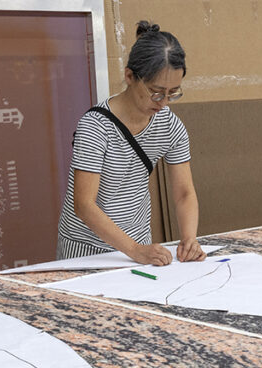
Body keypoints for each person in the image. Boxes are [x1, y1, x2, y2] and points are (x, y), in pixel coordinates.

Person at [56, 21, 205, 266]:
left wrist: (189, 239)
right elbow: (84, 205)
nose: (164, 102)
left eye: (173, 93)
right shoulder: (95, 127)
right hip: (86, 249)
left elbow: (184, 193)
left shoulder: (169, 126)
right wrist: (134, 250)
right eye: (156, 92)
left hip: (138, 244)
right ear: (129, 76)